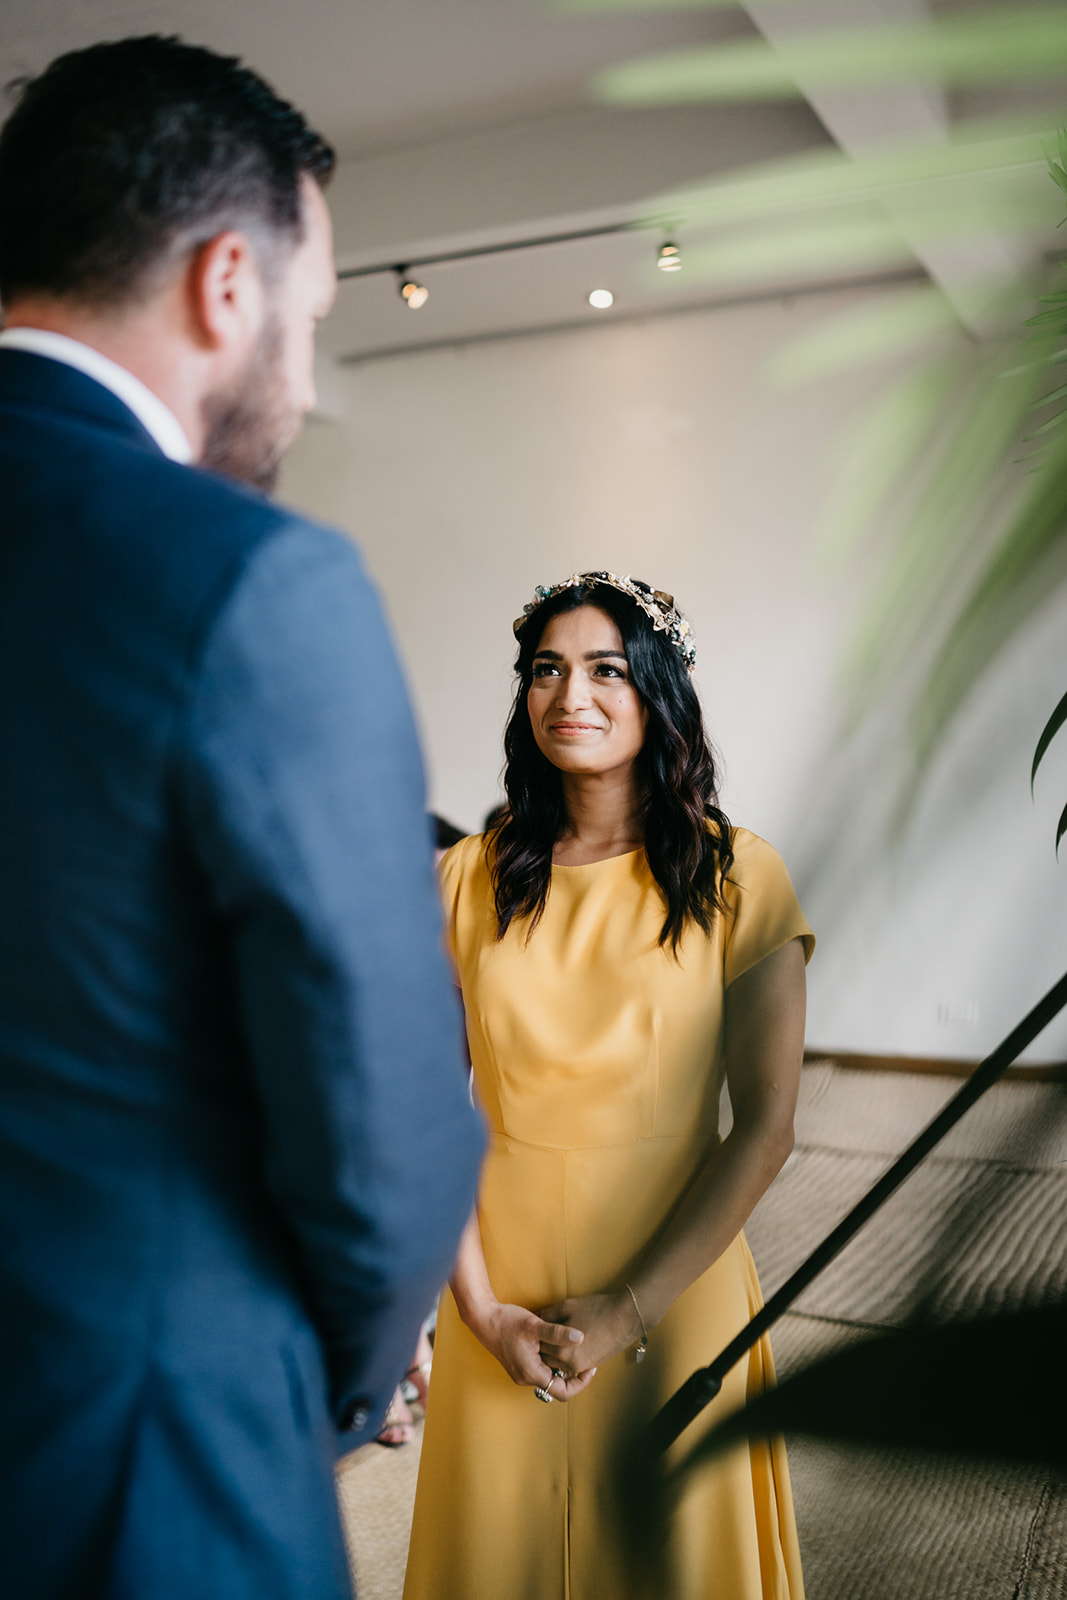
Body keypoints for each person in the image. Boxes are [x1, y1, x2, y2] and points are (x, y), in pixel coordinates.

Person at [0, 36, 483, 1600]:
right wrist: (330, 1392)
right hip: (133, 1466)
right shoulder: (249, 581)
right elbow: (384, 1128)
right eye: (314, 314)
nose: (303, 368)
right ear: (227, 284)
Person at [404, 572, 813, 1600]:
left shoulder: (739, 875)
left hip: (672, 1278)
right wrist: (486, 1309)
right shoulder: (464, 877)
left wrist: (628, 1308)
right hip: (497, 1280)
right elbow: (419, 1108)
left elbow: (764, 1128)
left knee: (669, 1558)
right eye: (546, 669)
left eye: (603, 670)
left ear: (655, 692)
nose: (568, 695)